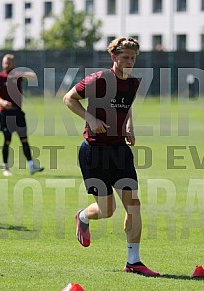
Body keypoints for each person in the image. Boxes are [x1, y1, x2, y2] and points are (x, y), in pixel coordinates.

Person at [63, 37, 160, 277]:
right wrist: (91, 119)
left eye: (133, 58)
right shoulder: (98, 80)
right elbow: (69, 99)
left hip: (119, 151)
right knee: (107, 210)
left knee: (134, 206)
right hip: (94, 151)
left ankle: (133, 261)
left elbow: (124, 109)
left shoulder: (133, 84)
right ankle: (83, 216)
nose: (129, 61)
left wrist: (129, 126)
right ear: (114, 57)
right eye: (125, 57)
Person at [0, 54, 44, 176]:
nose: (7, 65)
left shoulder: (17, 76)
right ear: (2, 63)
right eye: (5, 63)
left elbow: (33, 77)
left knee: (24, 139)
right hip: (5, 113)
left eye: (10, 63)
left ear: (13, 64)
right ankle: (5, 168)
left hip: (18, 113)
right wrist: (2, 102)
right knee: (7, 140)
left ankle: (31, 166)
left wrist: (19, 73)